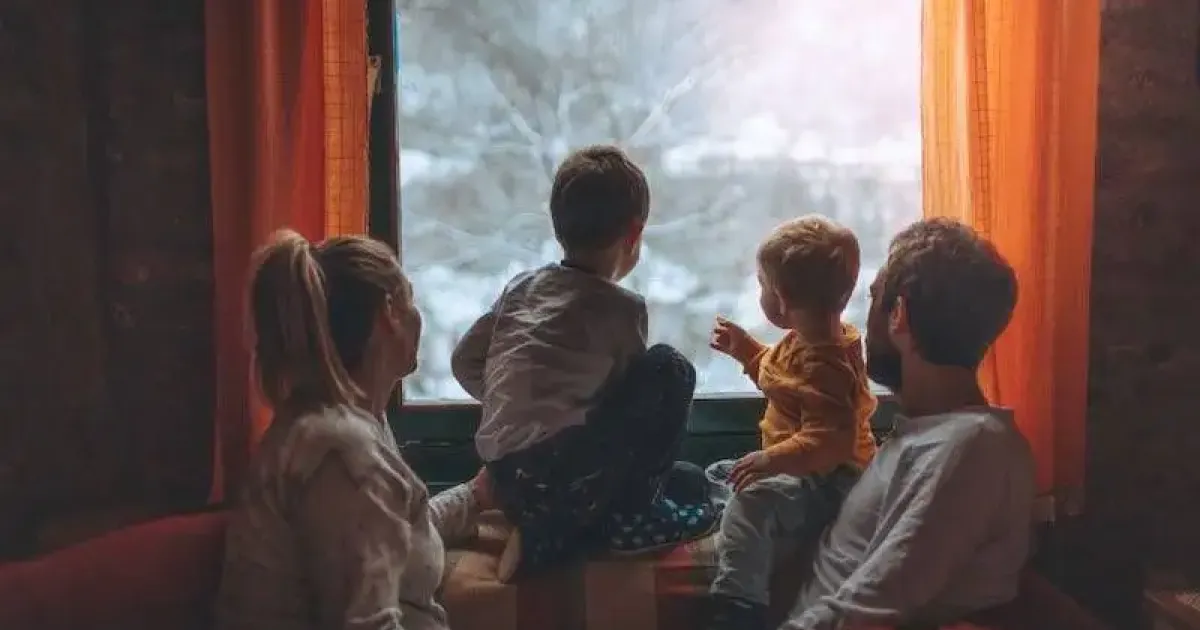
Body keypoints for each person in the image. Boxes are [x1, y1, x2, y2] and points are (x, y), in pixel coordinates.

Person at [452, 144, 716, 582]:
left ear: (559, 225)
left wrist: (513, 400)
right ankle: (604, 525)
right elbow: (630, 423)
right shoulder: (622, 309)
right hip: (568, 484)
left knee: (687, 478)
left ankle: (542, 527)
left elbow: (465, 360)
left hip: (506, 480)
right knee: (670, 369)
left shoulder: (523, 287)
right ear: (634, 235)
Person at [216, 230, 487, 630]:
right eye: (410, 298)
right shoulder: (340, 451)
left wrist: (476, 496)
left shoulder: (350, 424)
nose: (418, 316)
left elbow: (390, 532)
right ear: (388, 314)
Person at [781, 218, 1036, 630]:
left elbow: (867, 612)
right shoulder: (933, 435)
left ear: (898, 314)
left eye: (874, 297)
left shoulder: (972, 447)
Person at [704, 215, 878, 630]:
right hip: (801, 469)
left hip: (828, 481)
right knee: (720, 474)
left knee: (748, 501)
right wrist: (747, 351)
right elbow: (787, 379)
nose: (760, 292)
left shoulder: (827, 362)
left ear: (780, 299)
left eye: (762, 284)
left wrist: (771, 461)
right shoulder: (815, 341)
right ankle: (761, 524)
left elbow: (829, 441)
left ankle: (739, 603)